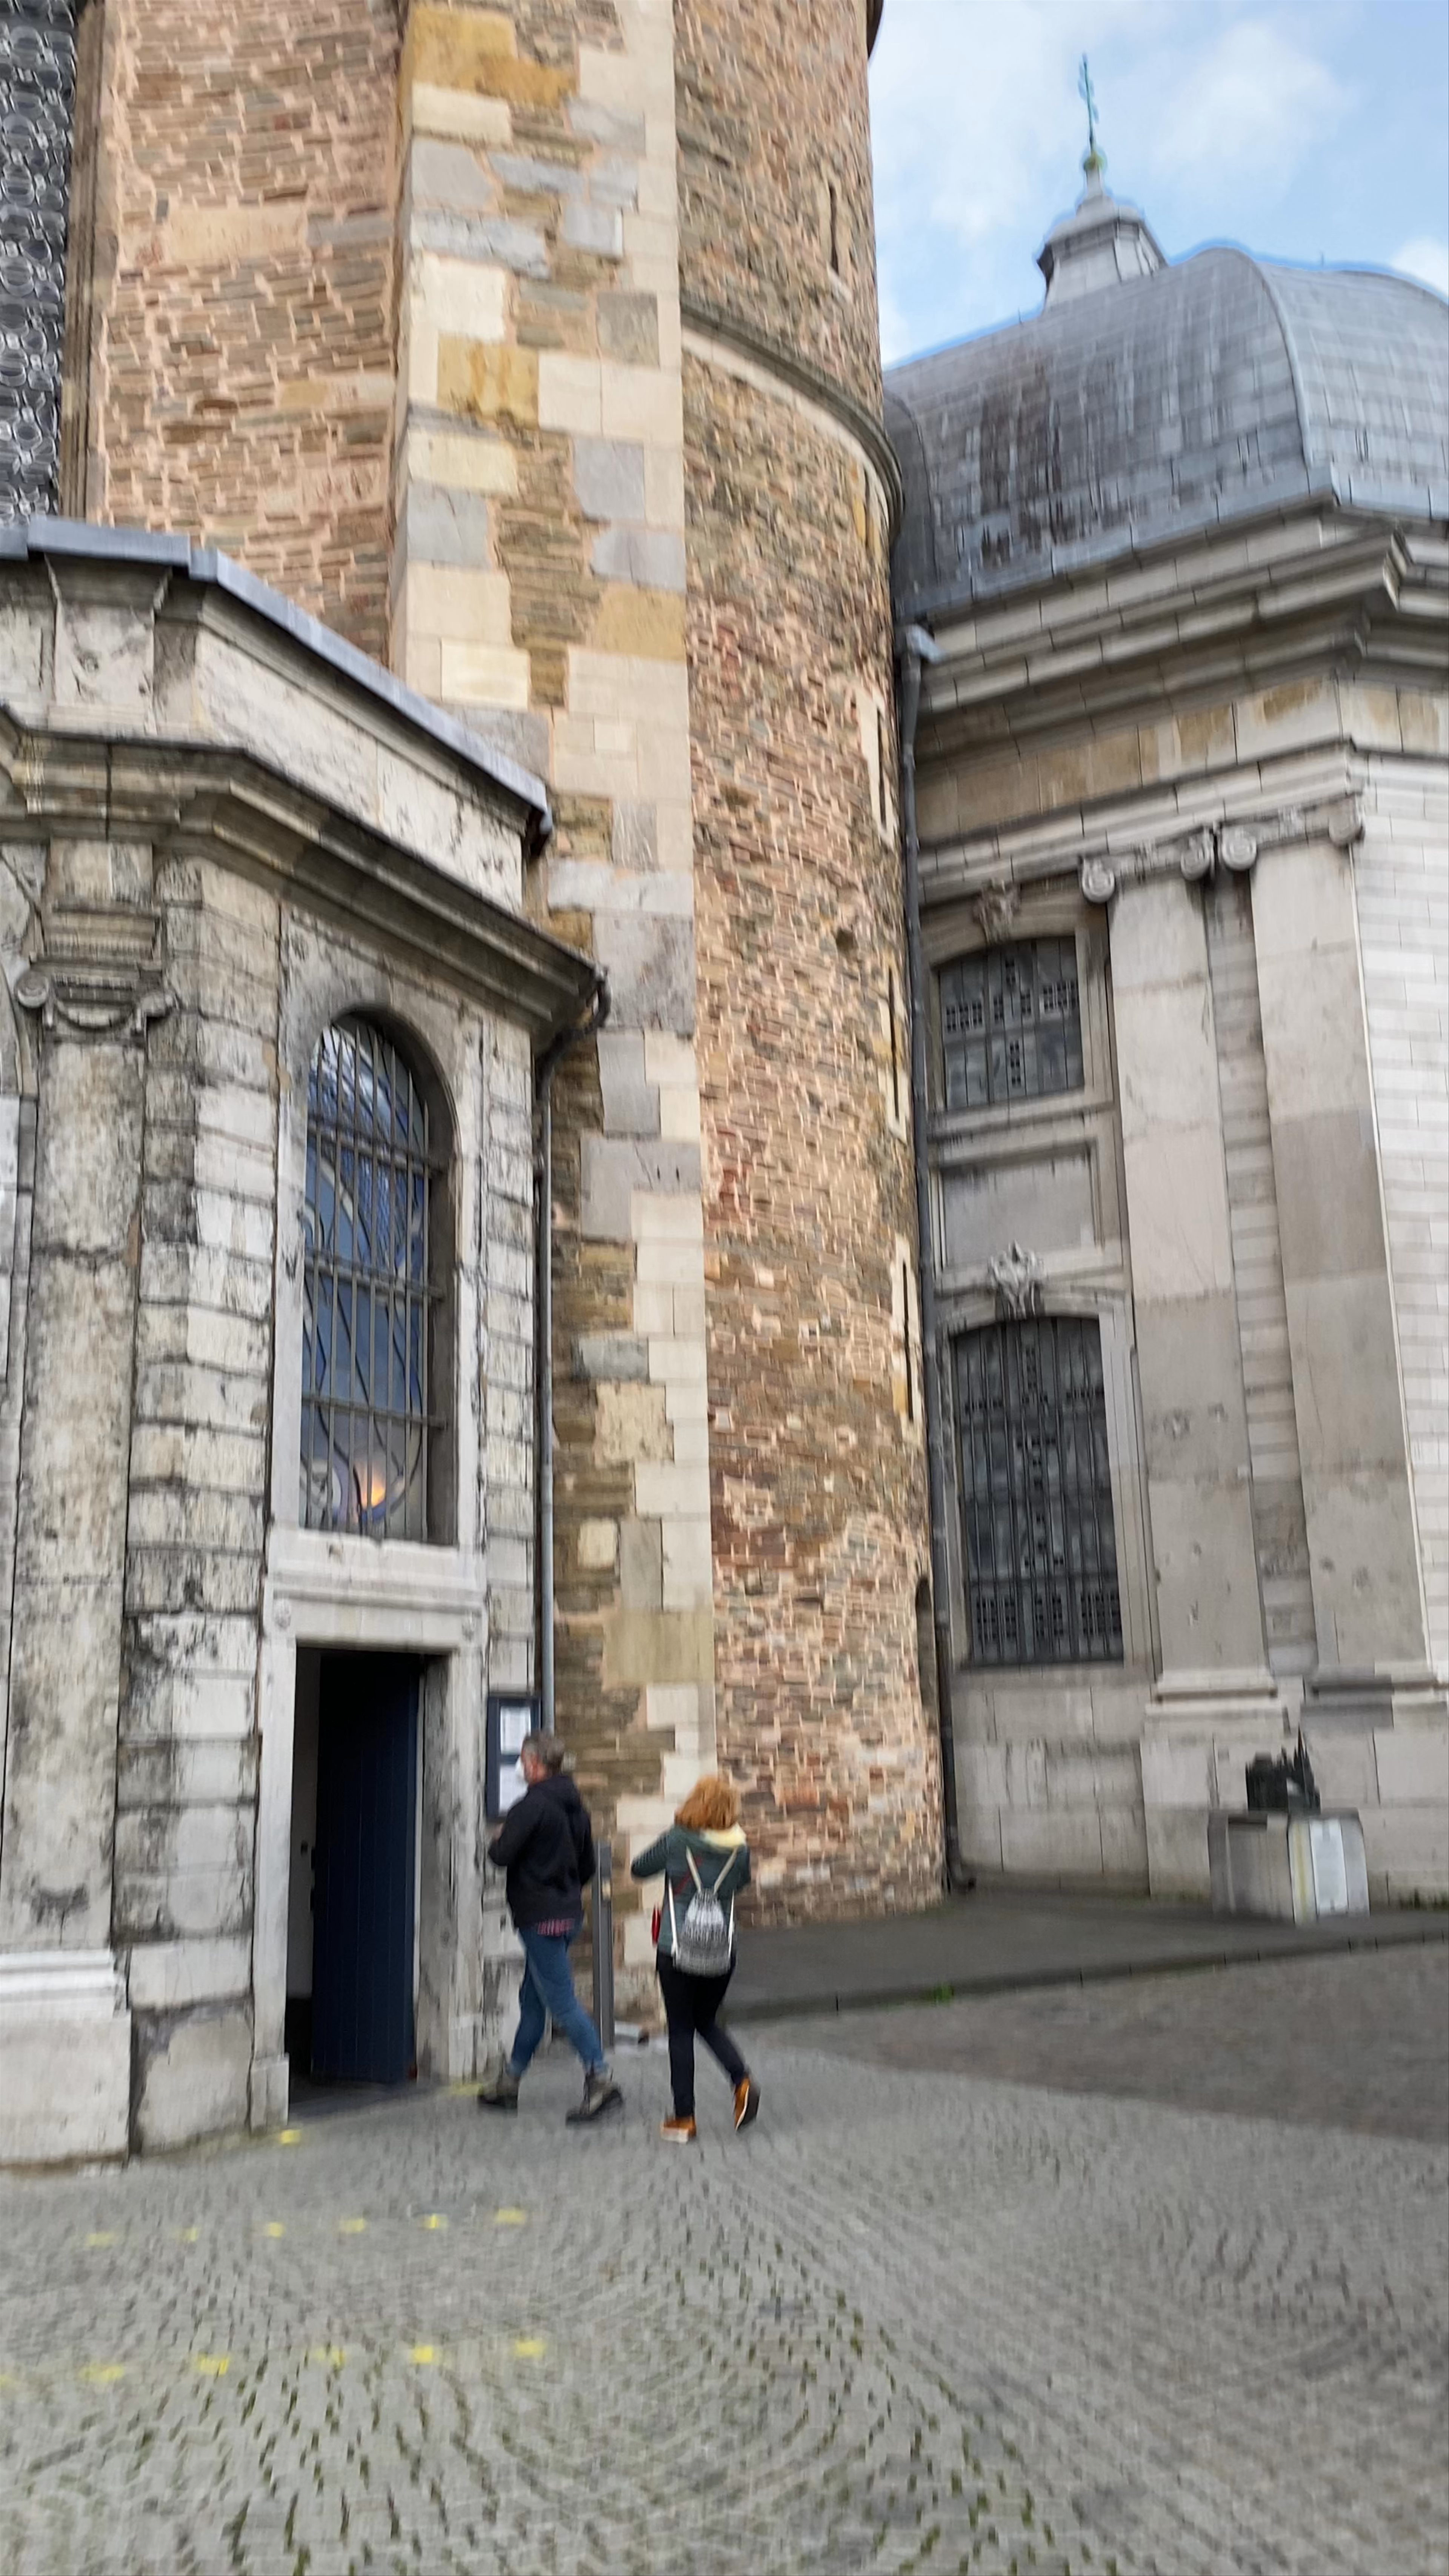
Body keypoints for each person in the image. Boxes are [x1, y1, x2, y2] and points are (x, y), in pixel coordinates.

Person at [477, 1732, 623, 2125]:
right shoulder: (576, 1806)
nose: (521, 1767)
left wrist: (497, 1838)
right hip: (568, 1915)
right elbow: (589, 1866)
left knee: (561, 2003)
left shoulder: (531, 1806)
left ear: (536, 1763)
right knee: (533, 2002)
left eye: (524, 1761)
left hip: (539, 1918)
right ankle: (509, 2082)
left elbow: (502, 1855)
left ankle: (600, 2076)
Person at [631, 1772, 760, 2144]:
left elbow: (640, 1868)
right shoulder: (740, 1848)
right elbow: (740, 1883)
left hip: (678, 1949)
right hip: (722, 1950)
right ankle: (742, 2080)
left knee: (682, 2029)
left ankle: (684, 2117)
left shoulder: (677, 1840)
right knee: (705, 2018)